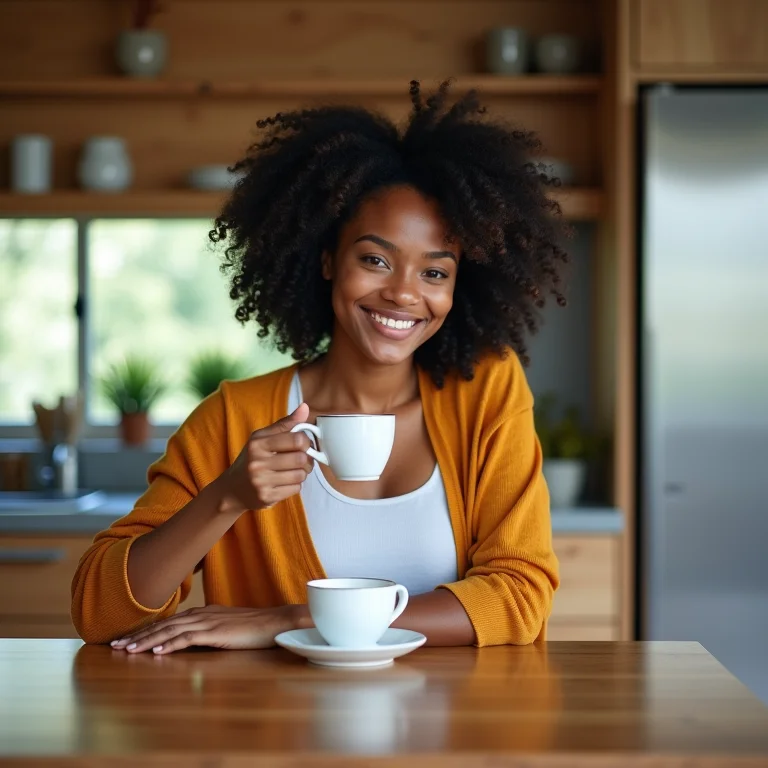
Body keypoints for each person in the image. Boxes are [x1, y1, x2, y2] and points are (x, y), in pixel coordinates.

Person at [72, 80, 569, 653]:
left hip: (454, 736)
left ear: (460, 285)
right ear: (328, 258)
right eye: (376, 259)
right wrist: (227, 497)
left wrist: (288, 618)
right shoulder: (237, 419)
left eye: (435, 272)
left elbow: (519, 594)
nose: (404, 294)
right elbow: (99, 615)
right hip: (283, 736)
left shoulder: (486, 392)